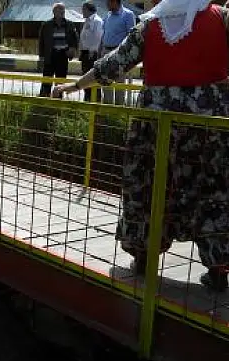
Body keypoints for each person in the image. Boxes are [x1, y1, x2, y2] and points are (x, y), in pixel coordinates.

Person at [52, 0, 229, 292]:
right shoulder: (221, 19)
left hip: (155, 123)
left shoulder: (149, 24)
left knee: (149, 187)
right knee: (211, 190)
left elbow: (113, 64)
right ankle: (218, 268)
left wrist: (73, 86)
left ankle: (144, 258)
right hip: (208, 125)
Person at [37, 3, 79, 98]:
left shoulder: (69, 24)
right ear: (54, 12)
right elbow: (41, 41)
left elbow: (75, 39)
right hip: (50, 55)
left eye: (63, 10)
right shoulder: (46, 25)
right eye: (59, 10)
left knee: (61, 80)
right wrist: (41, 56)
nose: (62, 12)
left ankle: (58, 100)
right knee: (47, 80)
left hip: (63, 55)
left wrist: (72, 49)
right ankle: (44, 98)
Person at [100, 0, 135, 104]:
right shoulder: (108, 15)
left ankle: (118, 113)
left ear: (114, 1)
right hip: (106, 51)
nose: (106, 4)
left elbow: (131, 36)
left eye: (108, 2)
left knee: (119, 84)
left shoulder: (128, 15)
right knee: (106, 82)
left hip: (119, 53)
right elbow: (104, 33)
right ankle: (107, 110)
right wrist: (100, 50)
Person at [79, 1, 103, 102]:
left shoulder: (97, 21)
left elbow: (98, 37)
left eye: (83, 9)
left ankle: (95, 101)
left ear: (89, 10)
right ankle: (87, 98)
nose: (82, 12)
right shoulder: (87, 21)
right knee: (85, 77)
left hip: (92, 54)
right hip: (85, 53)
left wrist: (93, 51)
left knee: (93, 77)